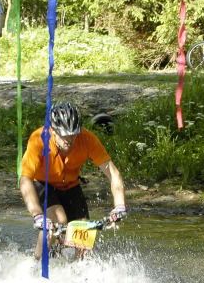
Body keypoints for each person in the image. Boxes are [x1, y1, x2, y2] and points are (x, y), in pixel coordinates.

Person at [19, 102, 127, 259]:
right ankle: (36, 264)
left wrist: (120, 206)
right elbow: (25, 180)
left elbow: (113, 174)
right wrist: (37, 215)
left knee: (84, 234)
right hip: (43, 183)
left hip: (70, 185)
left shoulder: (87, 138)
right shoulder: (39, 139)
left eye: (73, 134)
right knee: (58, 219)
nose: (69, 140)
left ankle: (77, 272)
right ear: (53, 130)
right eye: (63, 135)